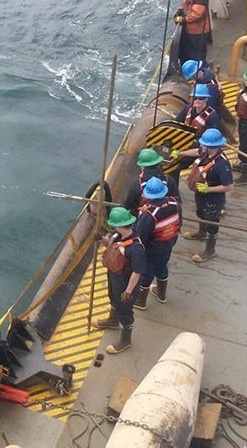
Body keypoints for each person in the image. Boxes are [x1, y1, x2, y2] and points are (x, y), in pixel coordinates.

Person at [91, 207, 147, 354]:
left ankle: (125, 340)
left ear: (119, 225)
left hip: (126, 282)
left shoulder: (135, 248)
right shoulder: (117, 235)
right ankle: (113, 321)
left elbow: (137, 271)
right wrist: (101, 238)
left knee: (125, 309)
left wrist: (128, 291)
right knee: (113, 298)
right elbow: (110, 244)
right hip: (114, 275)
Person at [179, 128, 234, 262]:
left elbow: (228, 186)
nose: (201, 146)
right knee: (201, 213)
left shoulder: (222, 165)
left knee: (211, 222)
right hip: (201, 193)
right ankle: (202, 232)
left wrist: (208, 189)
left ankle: (210, 250)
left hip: (213, 198)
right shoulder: (205, 153)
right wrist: (181, 153)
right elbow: (196, 151)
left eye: (203, 144)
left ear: (211, 147)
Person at [133, 177, 181, 310]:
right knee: (162, 267)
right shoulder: (174, 203)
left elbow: (140, 236)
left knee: (146, 273)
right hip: (168, 244)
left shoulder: (148, 214)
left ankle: (141, 301)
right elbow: (179, 221)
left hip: (152, 249)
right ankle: (161, 294)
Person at [170, 84, 220, 183]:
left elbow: (209, 141)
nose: (197, 101)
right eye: (195, 98)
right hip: (184, 142)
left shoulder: (212, 116)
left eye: (201, 99)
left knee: (177, 166)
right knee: (171, 166)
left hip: (200, 147)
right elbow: (176, 123)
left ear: (206, 99)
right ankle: (173, 187)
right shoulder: (188, 108)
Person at [123, 148, 180, 218]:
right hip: (164, 217)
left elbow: (128, 204)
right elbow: (177, 200)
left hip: (142, 218)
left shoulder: (137, 182)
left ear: (142, 166)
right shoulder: (169, 180)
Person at [176, 0, 212, 66]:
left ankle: (203, 68)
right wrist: (179, 11)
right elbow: (185, 3)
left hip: (198, 31)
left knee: (198, 53)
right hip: (192, 30)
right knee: (191, 51)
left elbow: (197, 14)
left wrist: (183, 19)